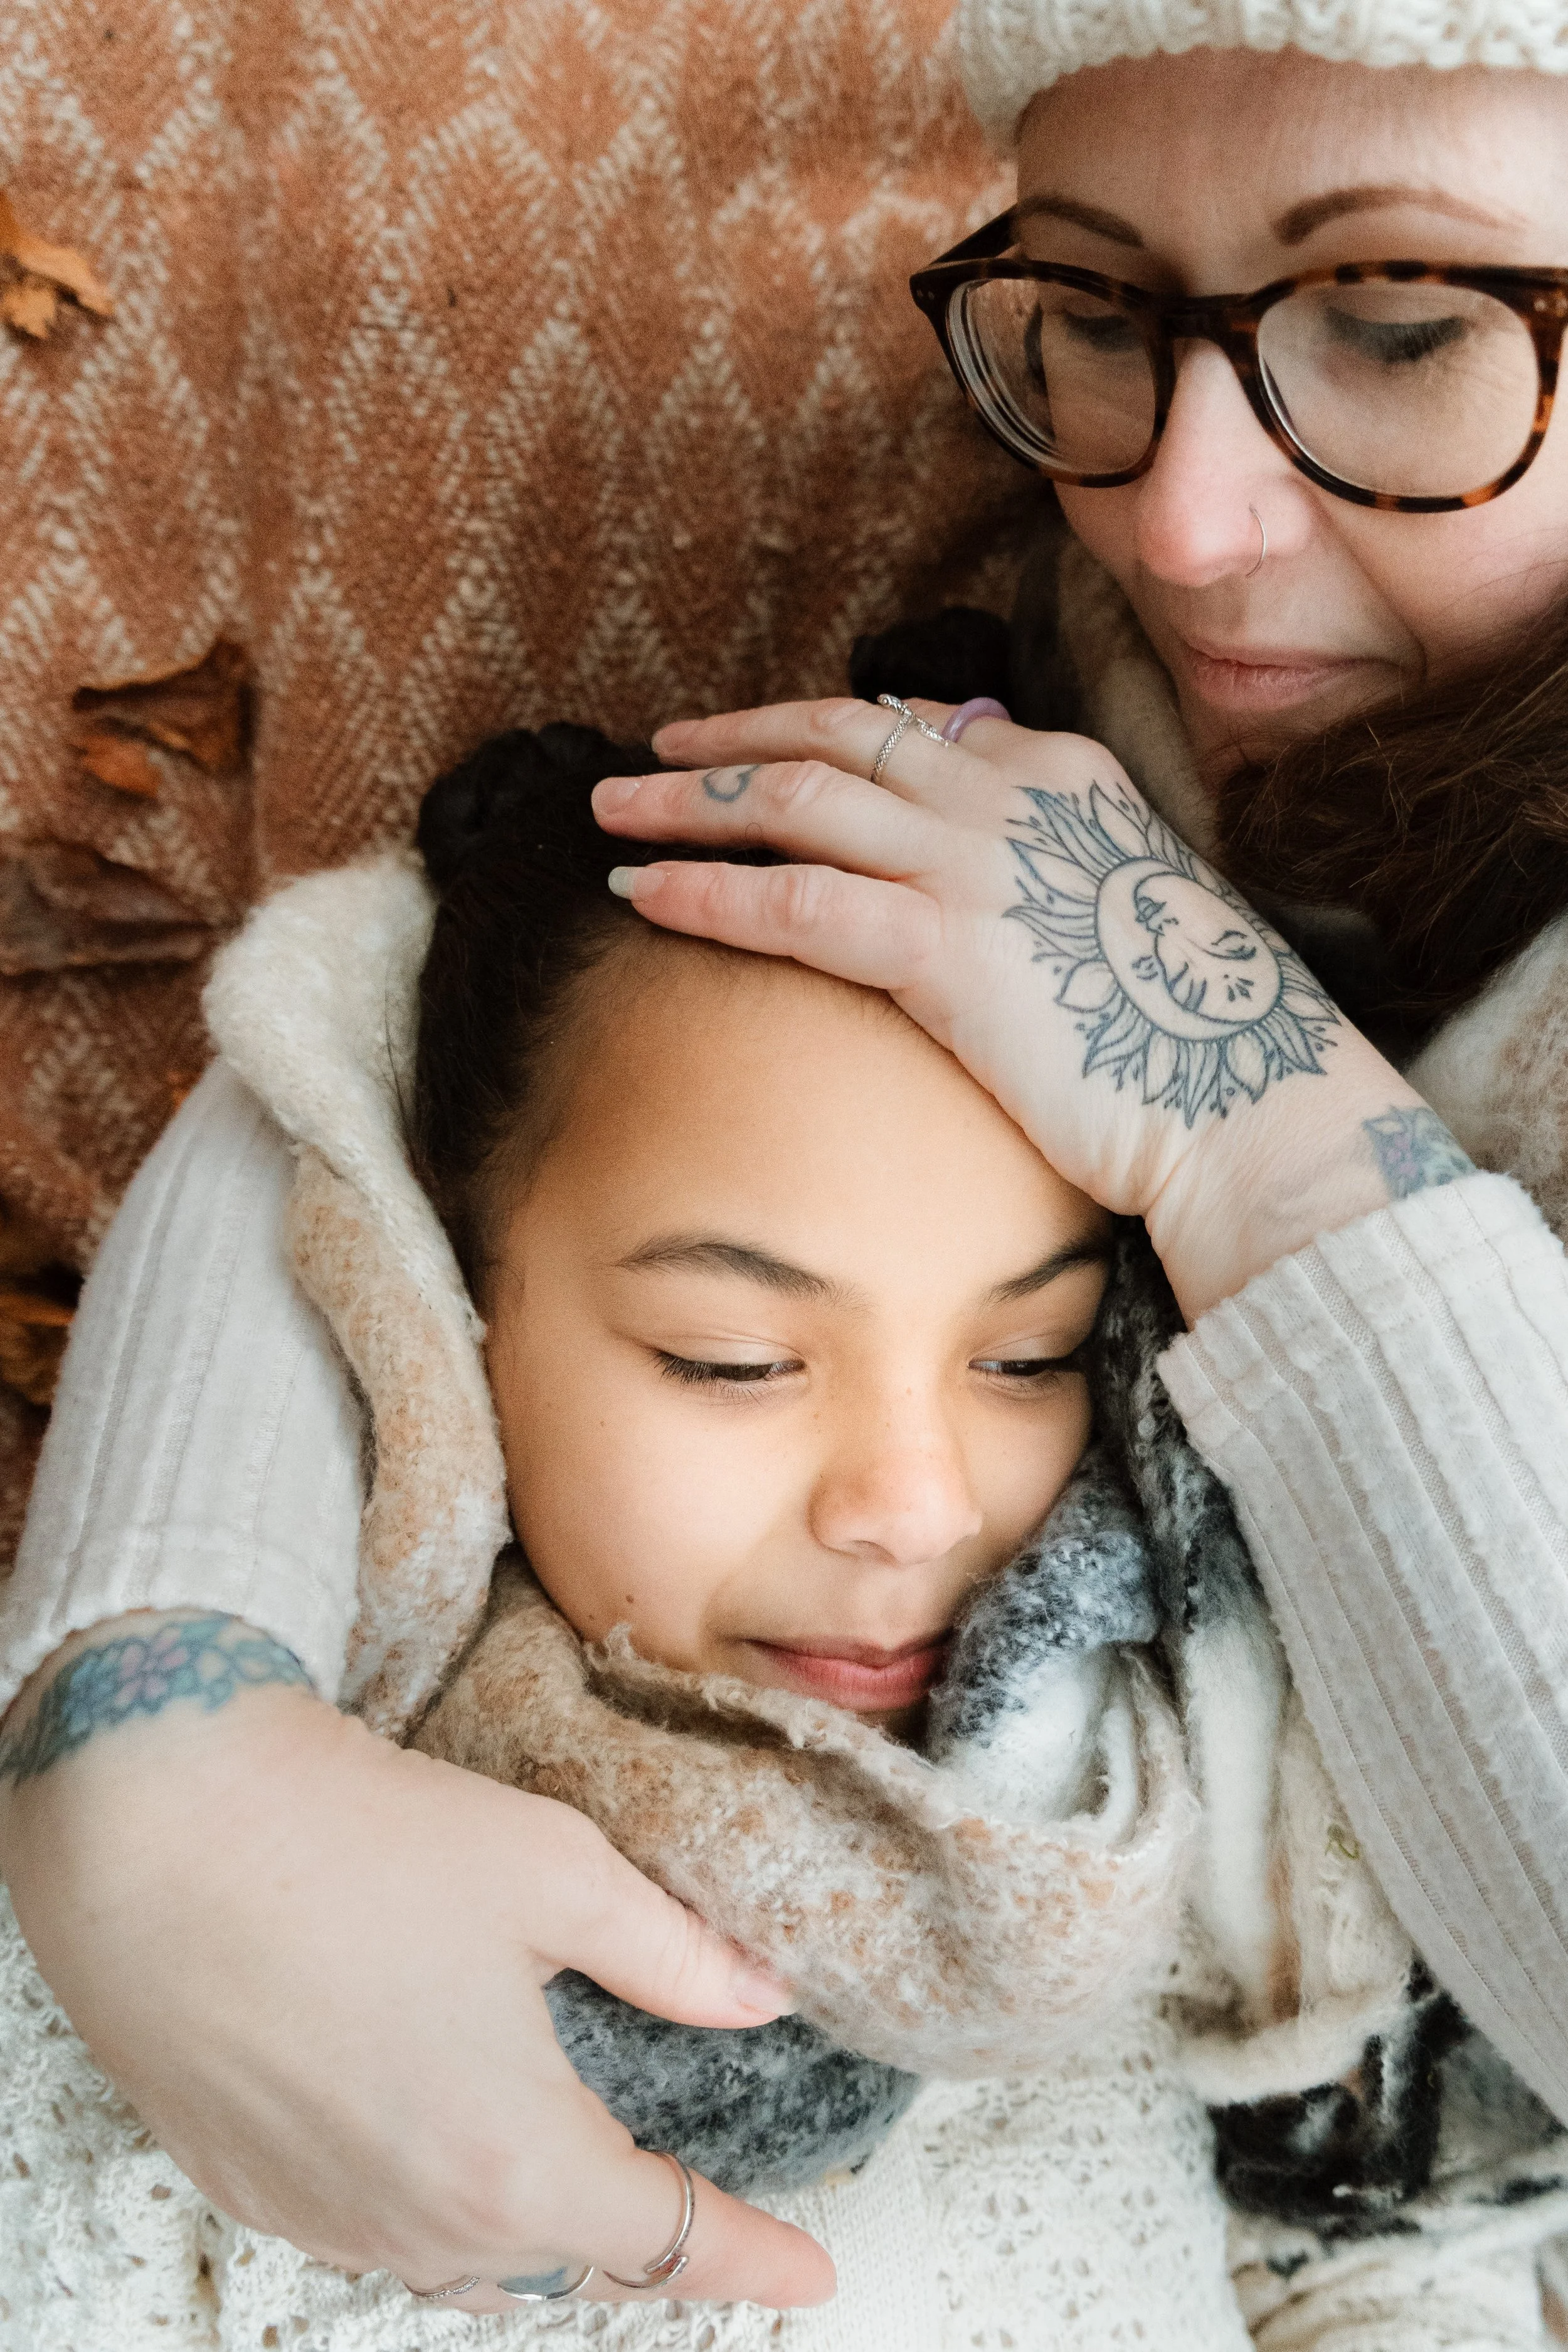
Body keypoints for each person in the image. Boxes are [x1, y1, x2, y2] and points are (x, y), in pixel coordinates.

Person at [4, 0, 1568, 2316]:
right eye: (1098, 311)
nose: (1181, 518)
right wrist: (158, 1730)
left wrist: (1250, 1115)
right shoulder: (1034, 689)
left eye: (1403, 324)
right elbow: (406, 1030)